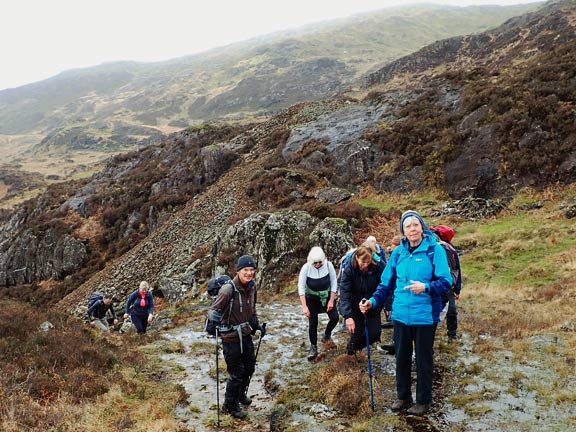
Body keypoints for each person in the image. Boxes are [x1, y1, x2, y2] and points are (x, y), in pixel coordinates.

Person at [360, 210, 452, 416]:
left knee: (423, 359)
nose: (412, 229)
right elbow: (386, 284)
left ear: (422, 227)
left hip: (425, 315)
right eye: (408, 226)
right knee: (401, 356)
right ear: (403, 230)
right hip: (400, 315)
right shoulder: (398, 254)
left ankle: (423, 401)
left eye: (415, 225)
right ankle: (403, 397)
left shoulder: (434, 250)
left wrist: (426, 287)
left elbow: (447, 281)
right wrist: (372, 302)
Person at [207, 255, 265, 419]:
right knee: (237, 372)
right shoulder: (228, 289)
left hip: (246, 334)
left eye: (251, 270)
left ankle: (239, 395)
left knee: (250, 367)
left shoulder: (252, 287)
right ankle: (229, 405)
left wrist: (257, 325)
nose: (249, 273)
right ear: (238, 271)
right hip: (231, 338)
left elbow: (252, 310)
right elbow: (212, 310)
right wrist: (215, 318)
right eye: (245, 270)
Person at [338, 242, 386, 355]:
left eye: (368, 262)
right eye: (363, 262)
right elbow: (345, 293)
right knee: (356, 335)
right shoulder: (349, 269)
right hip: (355, 305)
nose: (365, 265)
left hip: (373, 302)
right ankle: (352, 352)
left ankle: (358, 348)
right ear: (356, 258)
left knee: (374, 335)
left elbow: (385, 285)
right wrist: (348, 316)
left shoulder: (378, 266)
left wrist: (387, 305)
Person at [298, 246, 339, 361]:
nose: (317, 264)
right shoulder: (306, 268)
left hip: (327, 296)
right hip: (312, 298)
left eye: (319, 262)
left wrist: (331, 300)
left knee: (335, 317)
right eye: (315, 262)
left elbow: (334, 282)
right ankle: (313, 346)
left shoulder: (328, 265)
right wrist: (304, 306)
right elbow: (301, 287)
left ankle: (326, 335)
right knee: (313, 322)